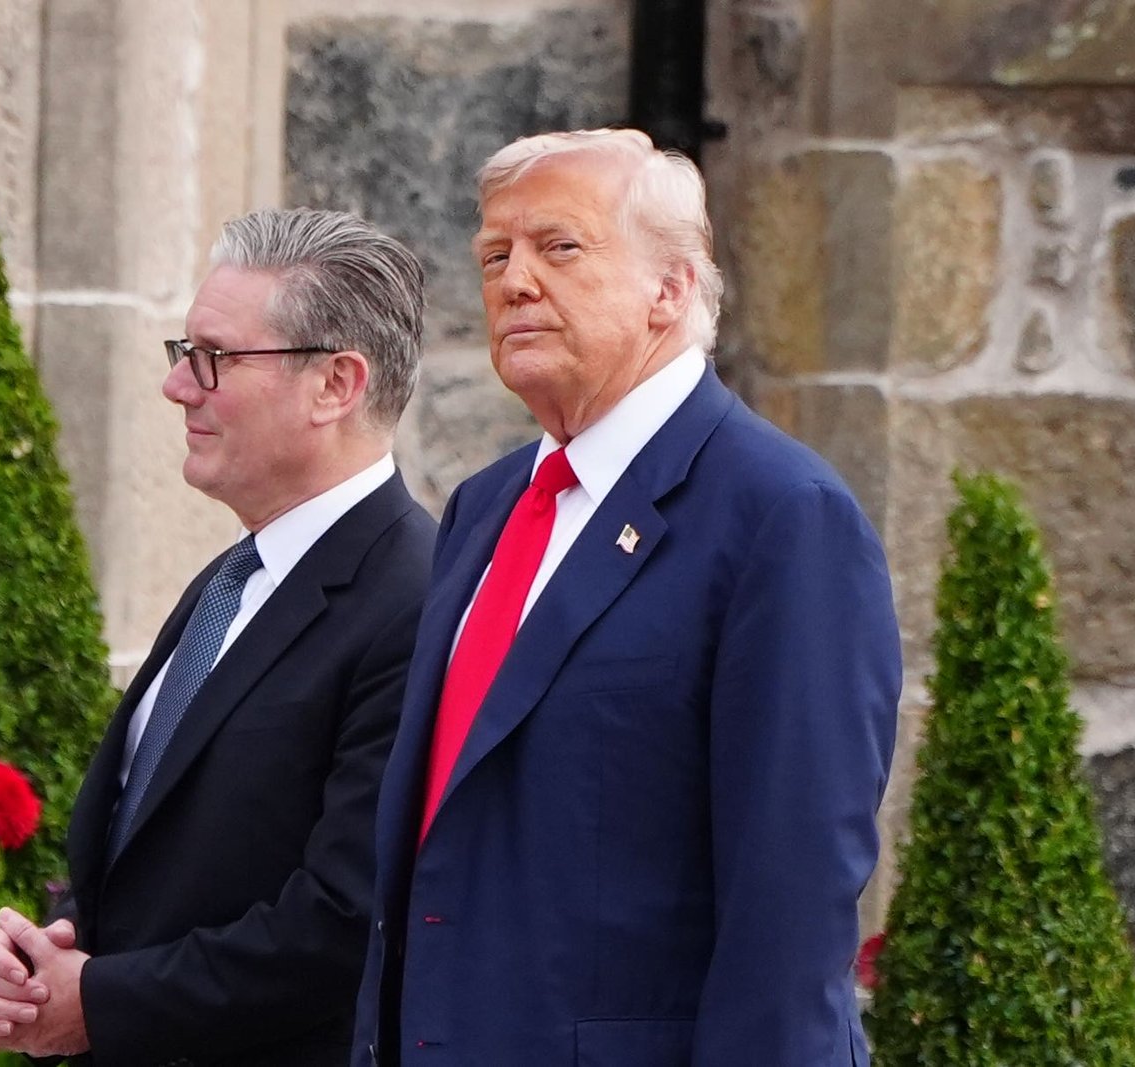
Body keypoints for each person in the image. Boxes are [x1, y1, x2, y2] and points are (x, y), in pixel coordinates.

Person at [352, 129, 901, 1065]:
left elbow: (790, 908)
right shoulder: (486, 508)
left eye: (559, 247)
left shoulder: (781, 516)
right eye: (495, 254)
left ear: (673, 287)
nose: (515, 281)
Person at [0, 206, 436, 1066]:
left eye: (214, 358)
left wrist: (100, 1002)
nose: (179, 386)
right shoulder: (234, 578)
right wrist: (45, 965)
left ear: (335, 384)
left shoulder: (412, 599)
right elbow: (167, 853)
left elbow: (345, 923)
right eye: (184, 354)